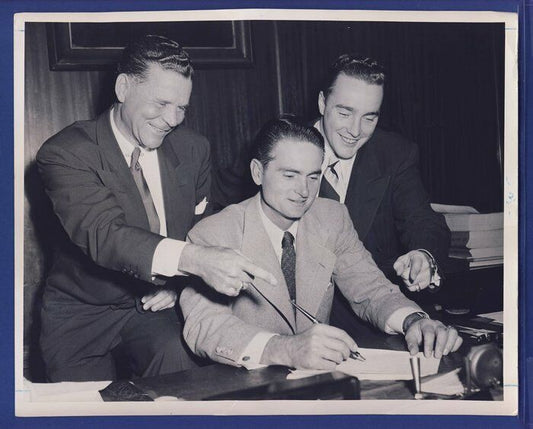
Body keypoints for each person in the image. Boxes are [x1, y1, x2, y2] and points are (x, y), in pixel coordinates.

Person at [36, 35, 276, 382]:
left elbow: (200, 226)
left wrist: (180, 285)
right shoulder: (68, 152)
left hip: (157, 306)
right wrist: (195, 261)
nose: (172, 119)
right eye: (162, 103)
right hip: (81, 315)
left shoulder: (194, 150)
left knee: (189, 388)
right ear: (123, 88)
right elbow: (106, 235)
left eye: (182, 107)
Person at [179, 117, 461, 370]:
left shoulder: (332, 218)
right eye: (289, 175)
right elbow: (205, 325)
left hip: (317, 382)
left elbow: (370, 288)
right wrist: (285, 348)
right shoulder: (212, 235)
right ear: (257, 172)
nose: (304, 191)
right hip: (243, 384)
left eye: (313, 176)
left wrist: (414, 321)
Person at [316, 54, 450, 293]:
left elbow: (422, 219)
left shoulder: (396, 154)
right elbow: (226, 203)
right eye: (345, 113)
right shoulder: (281, 147)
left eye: (369, 117)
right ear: (322, 103)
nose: (355, 131)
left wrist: (423, 255)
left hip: (373, 310)